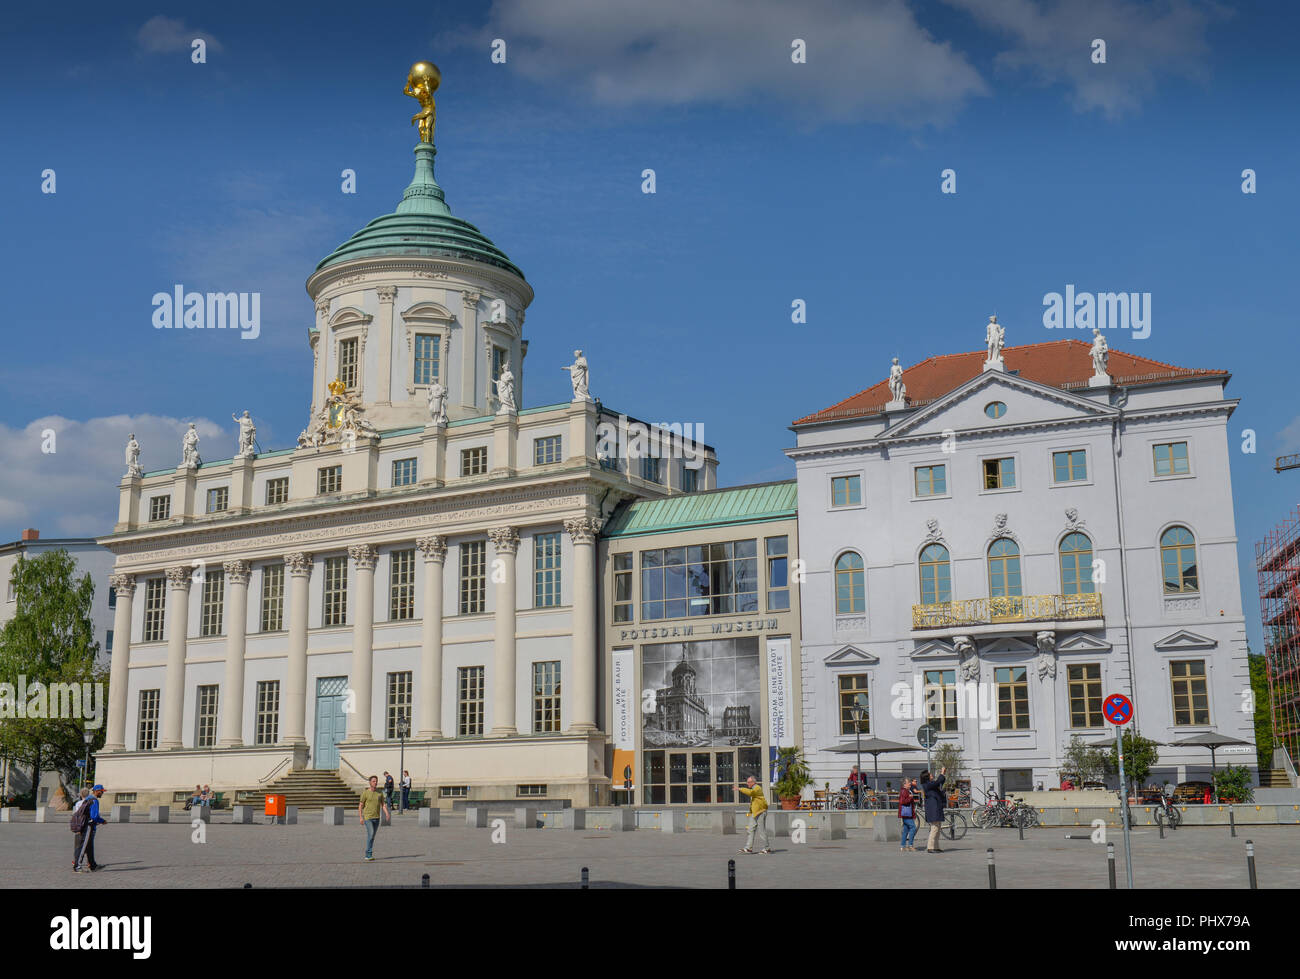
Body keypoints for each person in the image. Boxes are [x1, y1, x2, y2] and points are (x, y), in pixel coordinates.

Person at [76, 784, 108, 872]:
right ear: (97, 791)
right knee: (83, 846)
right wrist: (102, 821)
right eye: (101, 791)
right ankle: (77, 866)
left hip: (85, 824)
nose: (102, 793)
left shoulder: (88, 798)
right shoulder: (94, 800)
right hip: (89, 826)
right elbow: (94, 816)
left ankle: (93, 865)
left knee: (89, 846)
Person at [359, 775, 390, 861]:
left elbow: (383, 804)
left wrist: (387, 813)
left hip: (377, 817)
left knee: (372, 836)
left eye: (376, 781)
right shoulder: (365, 792)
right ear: (370, 782)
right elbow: (361, 805)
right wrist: (361, 817)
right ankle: (368, 854)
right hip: (368, 817)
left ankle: (369, 854)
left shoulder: (379, 793)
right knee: (371, 834)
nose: (375, 782)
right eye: (373, 781)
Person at [737, 775, 771, 855]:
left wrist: (739, 789)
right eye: (747, 782)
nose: (747, 783)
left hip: (761, 812)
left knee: (762, 831)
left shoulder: (757, 788)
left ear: (753, 782)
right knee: (750, 829)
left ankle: (767, 848)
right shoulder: (754, 788)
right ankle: (748, 848)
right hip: (755, 813)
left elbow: (750, 793)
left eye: (748, 782)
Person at [919, 767, 948, 853]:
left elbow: (939, 782)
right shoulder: (927, 784)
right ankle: (930, 847)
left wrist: (943, 775)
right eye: (930, 774)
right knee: (934, 827)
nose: (932, 775)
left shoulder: (930, 783)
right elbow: (938, 782)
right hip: (933, 808)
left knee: (938, 827)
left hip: (936, 807)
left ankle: (936, 846)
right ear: (927, 777)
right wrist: (942, 773)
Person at [70, 788, 91, 872]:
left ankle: (75, 860)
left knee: (78, 844)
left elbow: (75, 814)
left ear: (81, 795)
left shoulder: (78, 803)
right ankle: (83, 862)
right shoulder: (88, 803)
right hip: (85, 824)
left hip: (77, 825)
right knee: (85, 844)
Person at [898, 778, 918, 852]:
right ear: (904, 784)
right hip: (907, 814)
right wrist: (910, 798)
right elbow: (902, 801)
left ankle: (903, 846)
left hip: (906, 814)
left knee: (906, 830)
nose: (910, 783)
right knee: (913, 828)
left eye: (910, 782)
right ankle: (910, 845)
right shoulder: (904, 791)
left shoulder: (907, 790)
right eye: (908, 782)